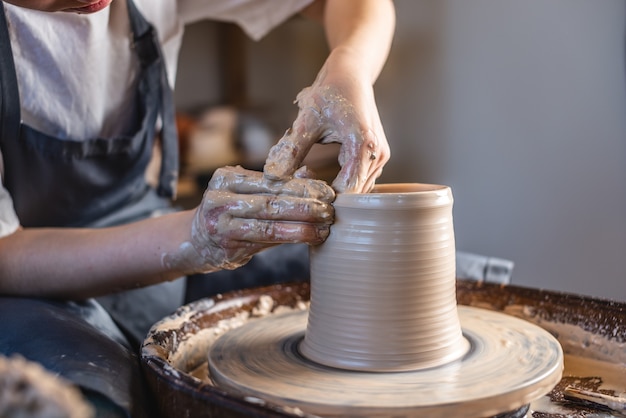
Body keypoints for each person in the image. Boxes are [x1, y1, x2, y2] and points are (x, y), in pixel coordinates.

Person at [0, 0, 395, 415]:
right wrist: (193, 240)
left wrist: (348, 67)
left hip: (155, 237)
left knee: (448, 277)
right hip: (32, 287)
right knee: (90, 406)